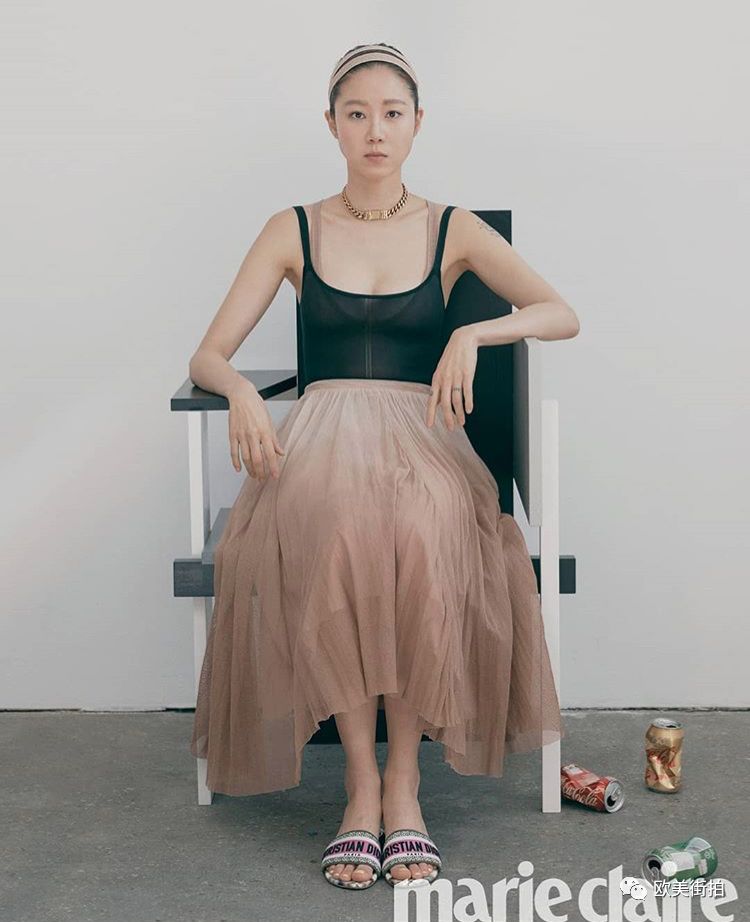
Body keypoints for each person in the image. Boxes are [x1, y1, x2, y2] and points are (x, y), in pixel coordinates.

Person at [187, 42, 580, 892]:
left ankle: (405, 785)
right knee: (341, 527)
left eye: (391, 114)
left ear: (416, 124)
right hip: (322, 436)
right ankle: (360, 790)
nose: (375, 130)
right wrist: (243, 393)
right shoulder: (292, 227)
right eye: (357, 114)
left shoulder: (451, 226)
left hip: (423, 437)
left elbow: (560, 311)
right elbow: (209, 354)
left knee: (419, 530)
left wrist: (475, 331)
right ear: (332, 125)